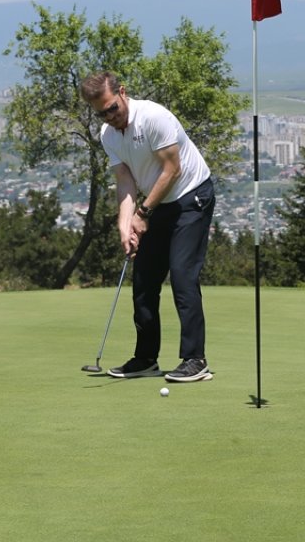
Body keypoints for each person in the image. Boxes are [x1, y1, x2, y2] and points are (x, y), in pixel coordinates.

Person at [80, 71, 217, 383]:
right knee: (143, 281)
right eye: (101, 113)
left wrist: (142, 214)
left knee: (182, 276)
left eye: (112, 108)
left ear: (123, 92)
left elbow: (172, 170)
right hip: (157, 204)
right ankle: (145, 359)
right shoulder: (108, 135)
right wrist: (124, 224)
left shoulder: (154, 117)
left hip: (190, 197)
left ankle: (195, 359)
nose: (109, 116)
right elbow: (125, 181)